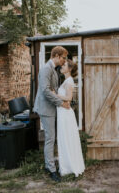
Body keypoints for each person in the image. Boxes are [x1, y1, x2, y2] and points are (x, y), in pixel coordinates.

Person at [33, 46, 70, 182]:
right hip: (46, 109)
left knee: (52, 137)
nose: (64, 61)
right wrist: (61, 103)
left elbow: (54, 90)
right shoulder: (46, 69)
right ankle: (50, 169)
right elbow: (46, 91)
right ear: (56, 55)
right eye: (63, 58)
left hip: (52, 107)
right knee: (50, 138)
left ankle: (51, 164)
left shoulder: (53, 70)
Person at [54, 59, 85, 177]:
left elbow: (69, 98)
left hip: (65, 114)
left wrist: (54, 94)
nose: (62, 66)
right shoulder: (66, 80)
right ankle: (66, 166)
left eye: (64, 65)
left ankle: (69, 167)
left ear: (70, 69)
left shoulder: (70, 81)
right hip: (63, 112)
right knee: (64, 139)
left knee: (66, 139)